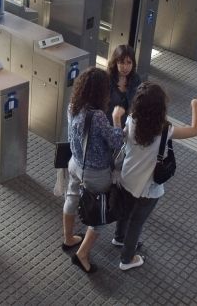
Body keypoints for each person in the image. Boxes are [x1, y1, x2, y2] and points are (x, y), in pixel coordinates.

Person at [113, 83, 197, 270]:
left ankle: (119, 237)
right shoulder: (165, 130)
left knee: (125, 212)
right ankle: (127, 259)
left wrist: (116, 119)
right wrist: (195, 105)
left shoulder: (131, 121)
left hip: (126, 178)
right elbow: (195, 130)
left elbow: (120, 139)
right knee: (137, 222)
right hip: (148, 188)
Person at [62, 67, 124, 274]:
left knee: (71, 198)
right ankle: (82, 255)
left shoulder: (73, 106)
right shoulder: (97, 116)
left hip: (75, 163)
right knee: (99, 214)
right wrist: (117, 119)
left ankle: (68, 238)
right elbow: (116, 142)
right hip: (95, 173)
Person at [107, 44, 141, 126]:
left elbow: (139, 103)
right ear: (115, 62)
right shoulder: (106, 79)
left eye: (129, 62)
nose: (125, 67)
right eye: (122, 62)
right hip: (109, 125)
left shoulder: (136, 79)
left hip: (129, 125)